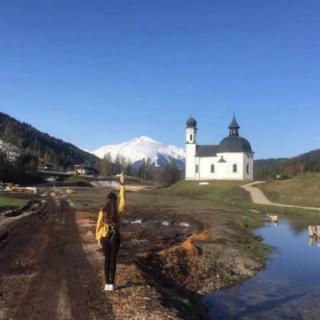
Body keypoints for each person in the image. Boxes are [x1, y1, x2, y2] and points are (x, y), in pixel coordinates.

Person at [96, 173, 125, 291]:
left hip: (104, 238)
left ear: (107, 201)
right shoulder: (119, 210)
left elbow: (98, 225)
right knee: (113, 260)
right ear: (115, 201)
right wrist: (122, 184)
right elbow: (123, 200)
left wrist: (98, 239)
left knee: (107, 260)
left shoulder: (102, 212)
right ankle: (112, 284)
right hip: (116, 237)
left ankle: (106, 283)